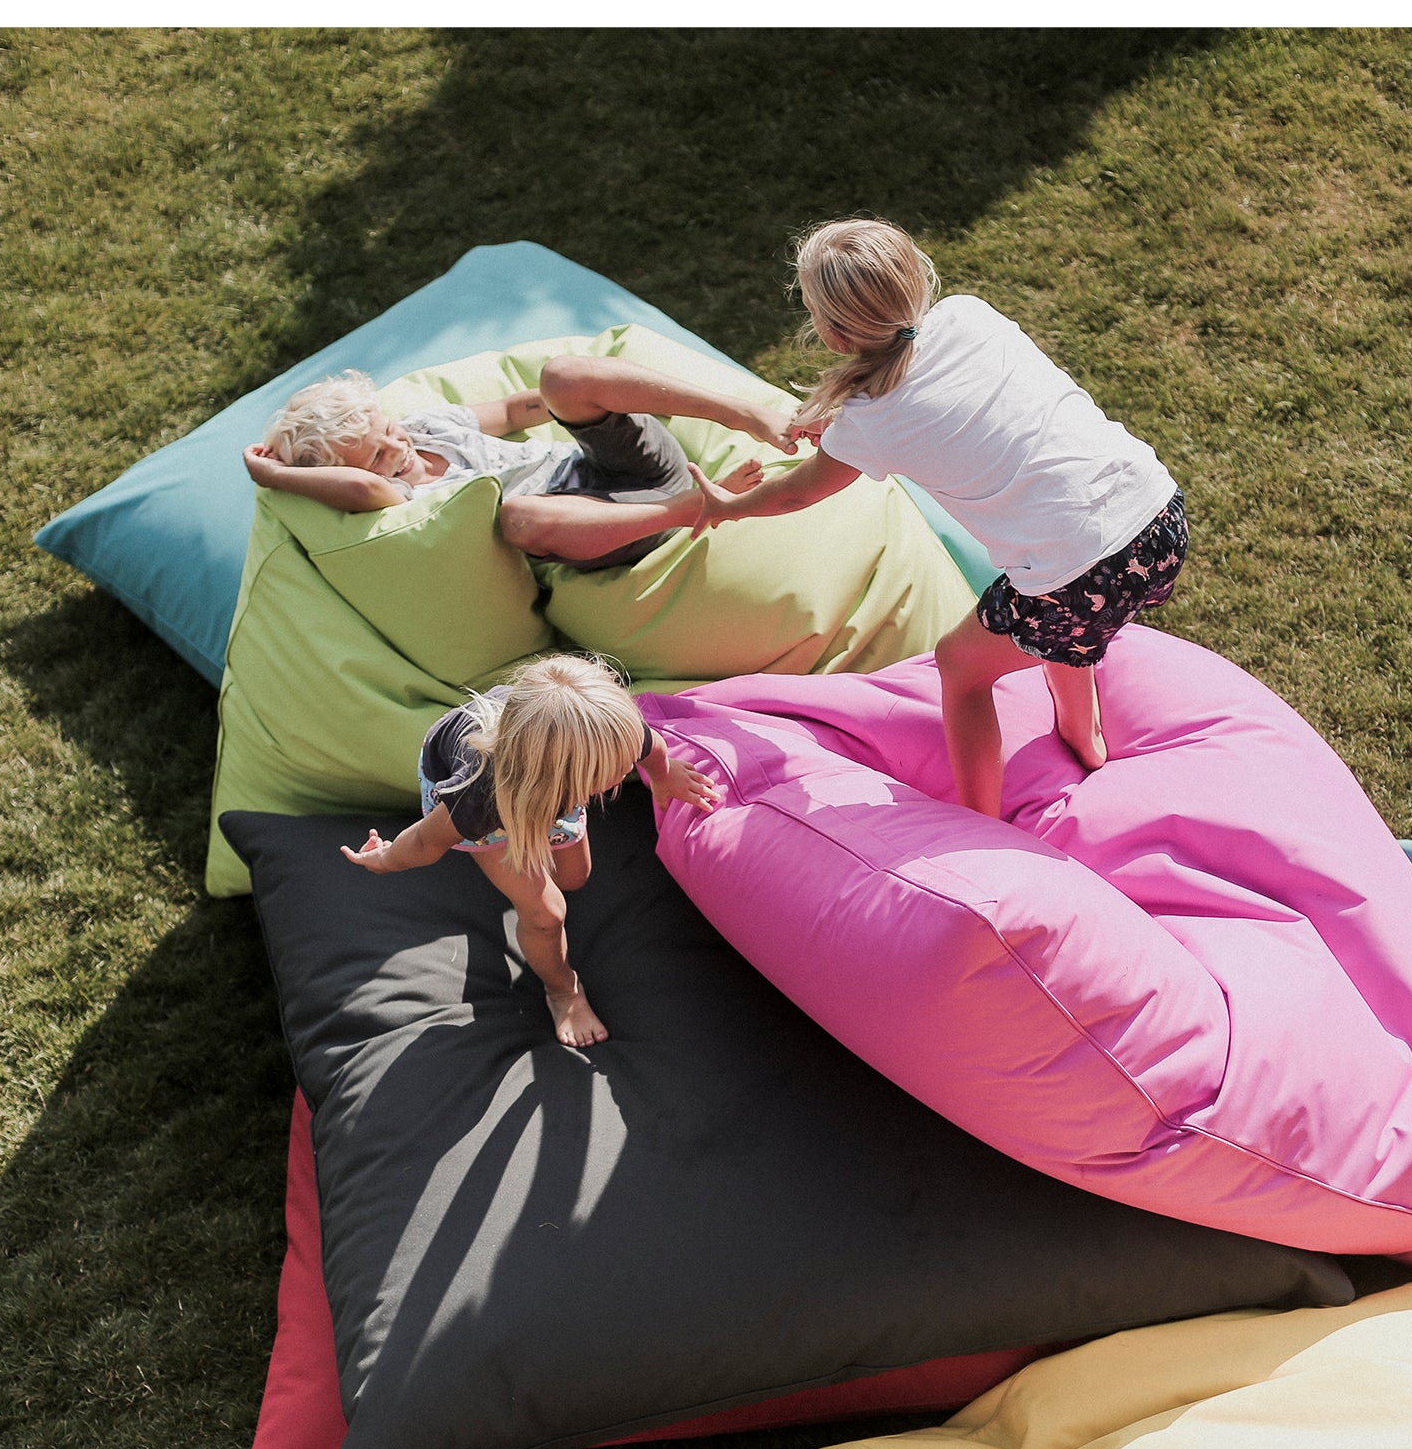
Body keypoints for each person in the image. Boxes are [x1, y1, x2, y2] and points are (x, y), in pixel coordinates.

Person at [682, 219, 1187, 818]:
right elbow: (952, 402)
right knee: (1044, 596)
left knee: (962, 665)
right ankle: (1085, 733)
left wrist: (725, 506)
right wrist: (838, 425)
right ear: (916, 276)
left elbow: (795, 494)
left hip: (1083, 576)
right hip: (1157, 515)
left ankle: (983, 823)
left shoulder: (869, 423)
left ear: (834, 334)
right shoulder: (971, 316)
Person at [340, 653, 720, 1049]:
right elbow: (424, 842)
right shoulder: (478, 799)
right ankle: (562, 991)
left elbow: (649, 746)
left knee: (575, 877)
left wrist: (663, 775)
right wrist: (383, 859)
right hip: (499, 804)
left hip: (544, 771)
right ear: (562, 779)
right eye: (613, 769)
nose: (626, 772)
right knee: (546, 913)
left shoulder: (606, 735)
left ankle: (543, 851)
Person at [243, 349, 786, 570]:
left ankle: (740, 413)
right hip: (606, 528)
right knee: (516, 515)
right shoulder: (403, 497)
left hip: (628, 470)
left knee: (562, 375)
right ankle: (697, 505)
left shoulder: (428, 425)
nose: (398, 449)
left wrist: (592, 401)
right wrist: (276, 474)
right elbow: (360, 491)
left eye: (389, 431)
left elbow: (514, 407)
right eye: (377, 458)